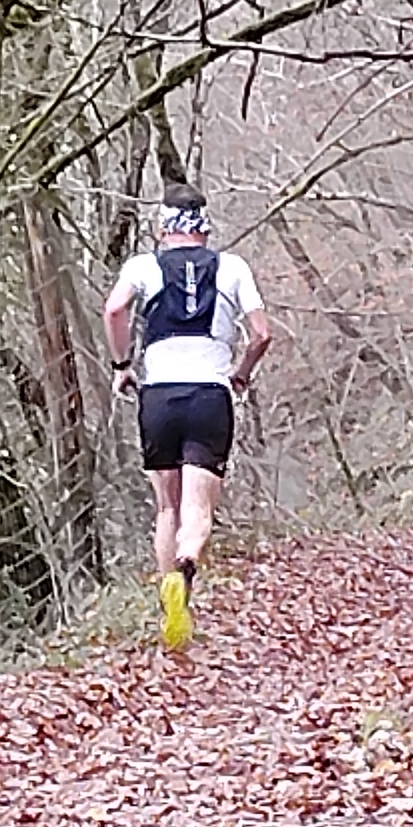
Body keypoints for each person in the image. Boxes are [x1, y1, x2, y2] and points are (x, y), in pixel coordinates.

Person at [102, 181, 271, 648]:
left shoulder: (142, 266)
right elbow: (262, 334)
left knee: (167, 508)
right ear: (204, 226)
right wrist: (241, 373)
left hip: (158, 395)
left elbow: (114, 310)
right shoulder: (232, 267)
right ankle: (187, 567)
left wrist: (121, 365)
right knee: (198, 508)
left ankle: (167, 605)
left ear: (163, 227)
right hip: (209, 395)